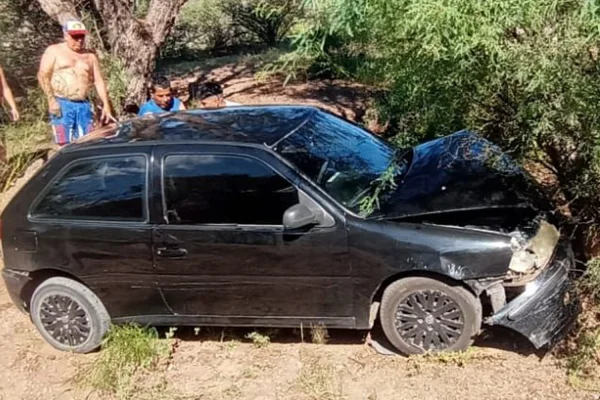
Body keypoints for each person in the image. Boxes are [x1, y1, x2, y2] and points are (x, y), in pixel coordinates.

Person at [37, 20, 113, 146]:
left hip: (83, 104)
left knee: (87, 140)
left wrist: (106, 105)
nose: (79, 40)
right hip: (62, 103)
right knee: (64, 142)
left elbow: (98, 80)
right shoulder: (54, 51)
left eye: (81, 36)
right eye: (75, 36)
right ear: (66, 35)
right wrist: (51, 100)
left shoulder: (89, 56)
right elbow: (43, 75)